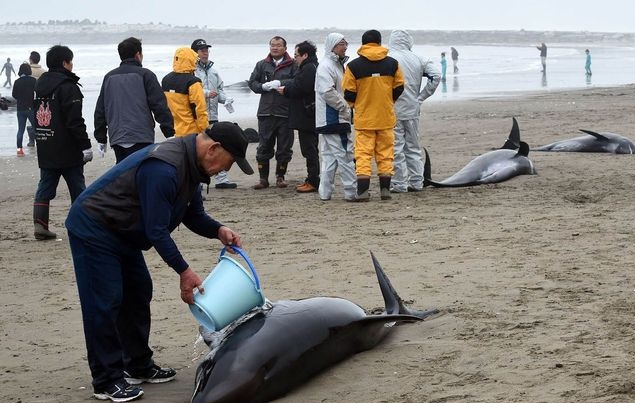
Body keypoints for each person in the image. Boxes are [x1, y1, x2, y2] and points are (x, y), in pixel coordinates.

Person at [65, 122, 254, 403]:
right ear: (214, 149)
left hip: (124, 231)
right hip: (95, 226)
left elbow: (193, 216)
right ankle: (106, 380)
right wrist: (184, 271)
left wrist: (218, 230)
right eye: (226, 164)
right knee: (104, 301)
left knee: (139, 291)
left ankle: (137, 364)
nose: (222, 171)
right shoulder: (165, 167)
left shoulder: (193, 167)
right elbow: (156, 230)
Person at [32, 45, 93, 241]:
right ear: (65, 63)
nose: (72, 65)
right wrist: (85, 145)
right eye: (70, 61)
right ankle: (81, 226)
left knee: (45, 185)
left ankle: (40, 225)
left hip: (45, 143)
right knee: (77, 187)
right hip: (68, 148)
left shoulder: (40, 85)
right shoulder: (68, 86)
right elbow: (75, 121)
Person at [343, 29, 404, 201]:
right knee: (386, 153)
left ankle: (362, 192)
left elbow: (348, 93)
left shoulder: (353, 66)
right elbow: (399, 87)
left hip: (364, 119)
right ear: (379, 42)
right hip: (385, 116)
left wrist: (358, 105)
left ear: (363, 44)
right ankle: (385, 190)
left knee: (363, 154)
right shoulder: (392, 63)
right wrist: (387, 102)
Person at [94, 37, 175, 163]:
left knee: (123, 173)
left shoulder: (109, 77)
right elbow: (159, 105)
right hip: (141, 135)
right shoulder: (146, 75)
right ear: (138, 54)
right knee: (141, 171)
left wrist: (101, 138)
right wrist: (169, 132)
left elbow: (101, 109)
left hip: (117, 137)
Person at [388, 30, 440, 193]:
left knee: (396, 148)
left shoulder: (388, 59)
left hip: (393, 108)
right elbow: (436, 75)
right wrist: (421, 96)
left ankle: (399, 183)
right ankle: (417, 181)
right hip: (412, 108)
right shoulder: (418, 58)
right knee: (413, 147)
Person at [248, 36, 296, 189]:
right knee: (264, 146)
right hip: (266, 112)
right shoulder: (262, 65)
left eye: (278, 45)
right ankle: (263, 179)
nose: (275, 48)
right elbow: (252, 83)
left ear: (285, 48)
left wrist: (280, 83)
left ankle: (280, 177)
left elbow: (298, 81)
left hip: (286, 112)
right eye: (272, 45)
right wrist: (263, 86)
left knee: (284, 147)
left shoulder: (293, 64)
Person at [314, 33, 356, 201]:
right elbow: (327, 91)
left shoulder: (336, 65)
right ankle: (352, 191)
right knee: (345, 154)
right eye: (341, 44)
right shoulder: (326, 66)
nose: (345, 47)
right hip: (333, 118)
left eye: (345, 44)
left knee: (330, 157)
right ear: (332, 46)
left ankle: (325, 192)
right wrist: (345, 108)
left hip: (331, 118)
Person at [192, 38, 237, 189]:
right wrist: (205, 93)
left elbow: (219, 91)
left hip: (213, 115)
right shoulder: (191, 70)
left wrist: (226, 99)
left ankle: (221, 178)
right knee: (199, 148)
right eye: (202, 50)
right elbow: (189, 92)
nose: (205, 52)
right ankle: (197, 181)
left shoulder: (213, 71)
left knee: (217, 146)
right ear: (194, 53)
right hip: (197, 116)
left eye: (206, 50)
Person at [277, 40, 320, 193]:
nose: (294, 58)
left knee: (309, 149)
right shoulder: (311, 66)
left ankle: (313, 180)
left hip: (307, 116)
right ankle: (312, 179)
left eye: (296, 55)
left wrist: (286, 90)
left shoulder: (309, 68)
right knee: (310, 148)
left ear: (305, 55)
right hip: (308, 115)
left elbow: (302, 88)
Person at [162, 47, 208, 137]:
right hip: (192, 132)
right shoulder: (193, 82)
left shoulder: (165, 80)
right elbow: (199, 110)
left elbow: (164, 107)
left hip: (174, 132)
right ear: (190, 59)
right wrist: (205, 131)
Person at [12, 63, 36, 157]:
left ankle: (19, 150)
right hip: (31, 108)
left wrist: (21, 98)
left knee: (20, 130)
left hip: (20, 109)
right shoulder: (33, 80)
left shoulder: (17, 81)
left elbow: (14, 95)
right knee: (36, 128)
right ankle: (42, 147)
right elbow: (38, 92)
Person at [26, 51, 46, 146]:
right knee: (40, 119)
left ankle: (31, 140)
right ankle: (40, 138)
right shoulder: (44, 71)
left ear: (30, 60)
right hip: (40, 98)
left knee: (29, 120)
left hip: (29, 99)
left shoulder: (27, 71)